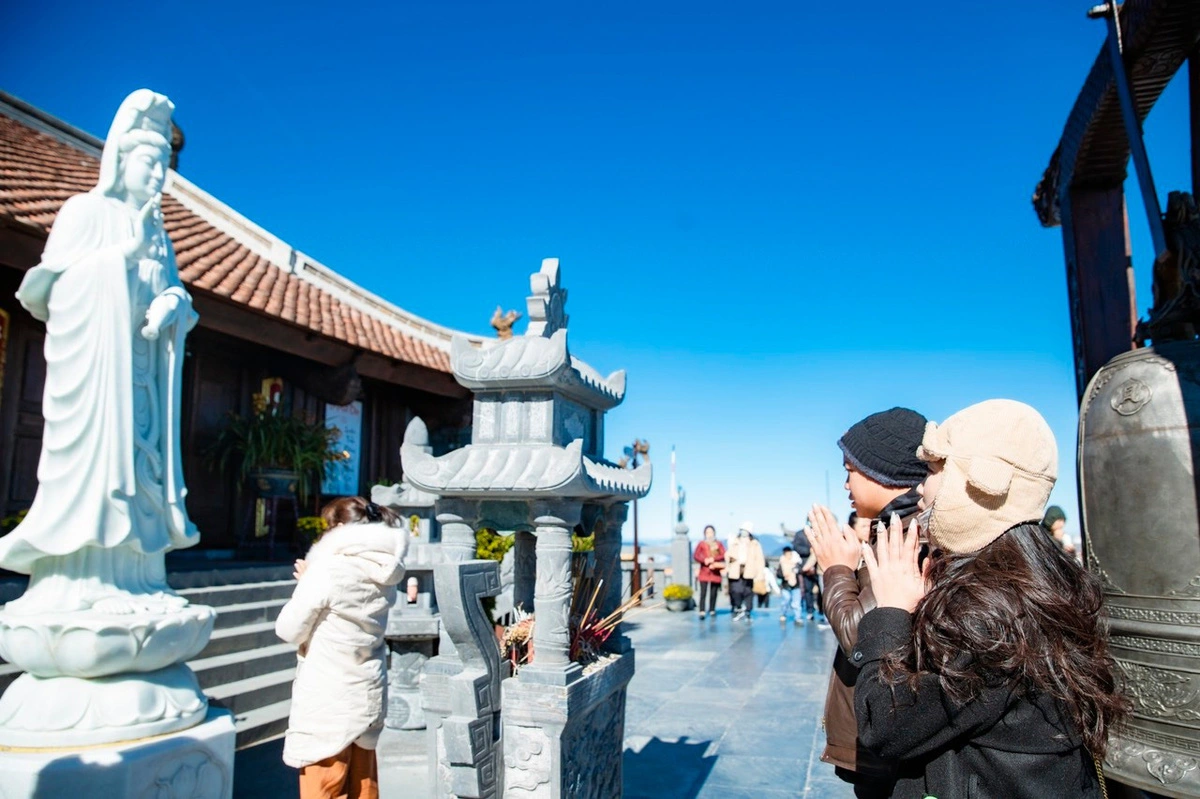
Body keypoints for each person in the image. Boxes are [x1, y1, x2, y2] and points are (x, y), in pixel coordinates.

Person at [854, 400, 1129, 799]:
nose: (919, 487)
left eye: (932, 470)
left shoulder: (990, 612)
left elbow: (886, 725)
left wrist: (892, 610)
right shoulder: (1037, 580)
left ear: (975, 483)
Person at [0, 90, 200, 614]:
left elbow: (176, 292)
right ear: (121, 160)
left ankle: (143, 575)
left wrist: (172, 304)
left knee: (143, 476)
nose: (157, 177)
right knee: (98, 475)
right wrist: (120, 259)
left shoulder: (161, 235)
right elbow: (52, 291)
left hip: (143, 384)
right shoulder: (85, 211)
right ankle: (80, 581)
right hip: (94, 382)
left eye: (164, 167)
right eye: (149, 164)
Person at [807, 406, 929, 798]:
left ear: (883, 472)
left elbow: (861, 638)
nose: (846, 484)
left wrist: (836, 568)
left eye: (851, 471)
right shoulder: (898, 528)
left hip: (890, 741)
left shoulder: (909, 537)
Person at [276, 497, 409, 799]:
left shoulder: (328, 570)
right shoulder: (385, 568)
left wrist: (306, 582)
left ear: (338, 528)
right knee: (363, 787)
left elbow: (288, 629)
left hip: (329, 697)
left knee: (324, 788)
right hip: (367, 690)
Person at [725, 521, 765, 622]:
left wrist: (760, 573)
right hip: (736, 569)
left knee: (748, 592)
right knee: (736, 590)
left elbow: (759, 559)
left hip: (749, 570)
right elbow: (728, 555)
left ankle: (748, 610)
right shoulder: (734, 541)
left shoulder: (754, 543)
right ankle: (738, 608)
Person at [693, 524, 726, 619]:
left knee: (714, 592)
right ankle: (702, 610)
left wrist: (713, 559)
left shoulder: (718, 544)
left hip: (714, 570)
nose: (709, 534)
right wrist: (704, 560)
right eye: (707, 532)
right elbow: (696, 555)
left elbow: (723, 554)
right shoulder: (701, 544)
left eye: (711, 532)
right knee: (703, 592)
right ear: (704, 534)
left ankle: (712, 609)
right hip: (704, 570)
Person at [777, 545, 804, 625]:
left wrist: (795, 570)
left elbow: (800, 570)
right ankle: (783, 613)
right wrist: (785, 575)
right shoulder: (782, 562)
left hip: (796, 585)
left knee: (797, 603)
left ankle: (797, 617)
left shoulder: (796, 562)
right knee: (786, 600)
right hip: (785, 585)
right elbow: (778, 574)